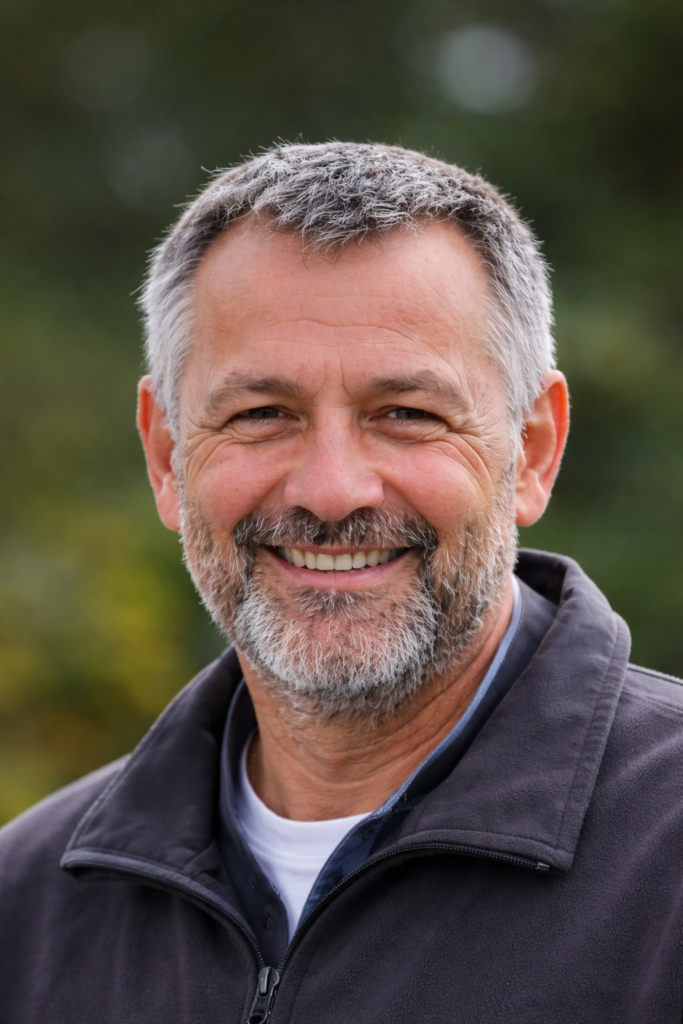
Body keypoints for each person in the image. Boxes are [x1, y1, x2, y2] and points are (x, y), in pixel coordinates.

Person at [1, 142, 682, 1024]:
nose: (330, 490)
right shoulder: (27, 911)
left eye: (406, 414)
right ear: (167, 456)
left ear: (533, 451)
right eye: (262, 414)